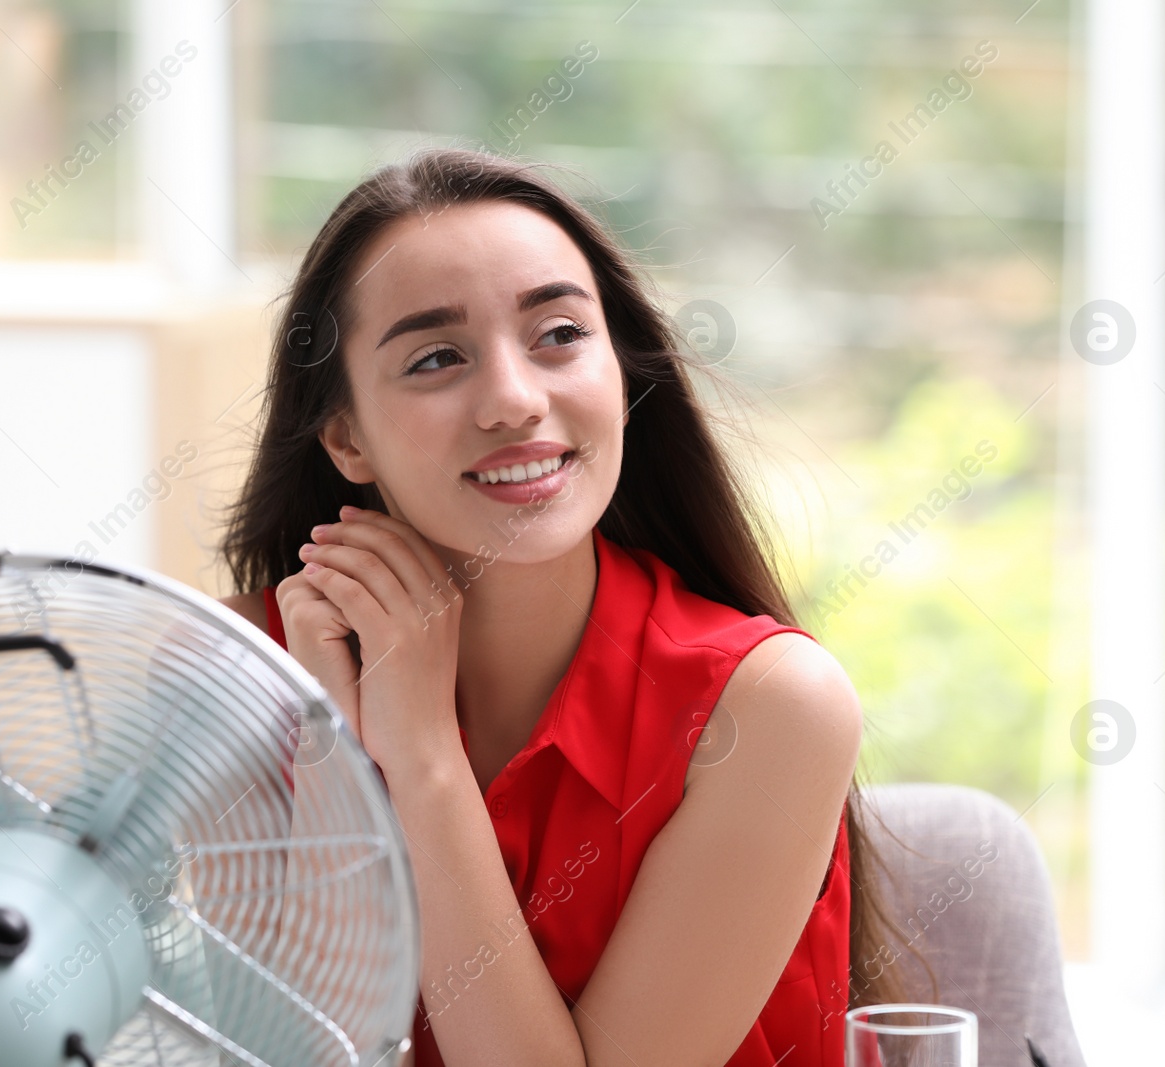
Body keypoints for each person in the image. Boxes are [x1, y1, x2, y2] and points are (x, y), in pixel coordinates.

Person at [218, 147, 906, 1066]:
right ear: (346, 436)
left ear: (618, 372)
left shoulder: (769, 706)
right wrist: (331, 766)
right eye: (435, 357)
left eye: (558, 335)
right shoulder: (235, 669)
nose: (512, 398)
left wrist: (420, 757)